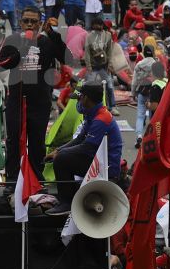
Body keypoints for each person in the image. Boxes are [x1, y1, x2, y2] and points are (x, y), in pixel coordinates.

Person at [0, 6, 71, 187]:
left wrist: (54, 36)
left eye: (33, 21)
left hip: (40, 102)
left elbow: (67, 59)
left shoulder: (47, 42)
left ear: (40, 24)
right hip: (16, 101)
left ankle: (37, 179)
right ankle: (13, 179)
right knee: (14, 141)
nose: (29, 24)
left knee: (37, 142)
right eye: (26, 21)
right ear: (20, 23)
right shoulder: (12, 40)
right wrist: (17, 53)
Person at [47, 84, 122, 215]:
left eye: (79, 98)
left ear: (86, 99)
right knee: (61, 156)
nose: (78, 102)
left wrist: (61, 154)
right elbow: (80, 138)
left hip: (107, 167)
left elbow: (87, 146)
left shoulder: (101, 119)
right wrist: (58, 150)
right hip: (97, 159)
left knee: (62, 160)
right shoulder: (93, 114)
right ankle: (67, 197)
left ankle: (67, 203)